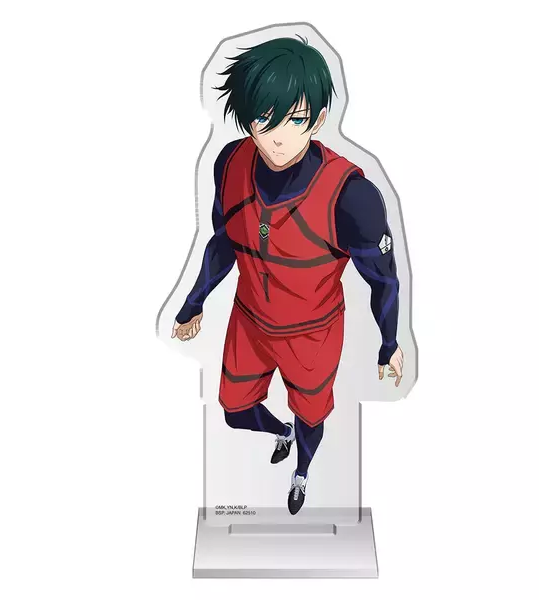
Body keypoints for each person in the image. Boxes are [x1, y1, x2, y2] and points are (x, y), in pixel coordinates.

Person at [172, 36, 404, 515]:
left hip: (311, 332)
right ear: (247, 119)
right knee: (234, 410)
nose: (278, 136)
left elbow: (382, 277)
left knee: (311, 416)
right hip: (250, 321)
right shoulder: (230, 163)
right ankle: (281, 431)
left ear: (318, 119)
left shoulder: (352, 197)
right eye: (264, 119)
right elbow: (224, 240)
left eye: (295, 119)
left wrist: (389, 341)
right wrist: (193, 301)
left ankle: (302, 470)